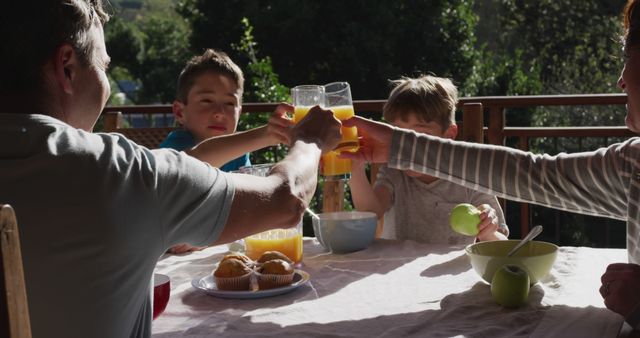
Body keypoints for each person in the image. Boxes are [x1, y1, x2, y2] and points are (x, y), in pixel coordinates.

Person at [0, 1, 341, 337]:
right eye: (103, 67)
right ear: (67, 68)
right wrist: (309, 141)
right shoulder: (124, 174)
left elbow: (193, 160)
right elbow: (286, 199)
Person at [340, 0, 640, 329]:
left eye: (629, 59)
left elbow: (531, 182)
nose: (620, 80)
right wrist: (397, 149)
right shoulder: (632, 163)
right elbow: (536, 176)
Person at [161, 49, 292, 254]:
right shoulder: (175, 152)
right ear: (179, 112)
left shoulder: (239, 153)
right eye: (207, 101)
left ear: (240, 112)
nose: (220, 113)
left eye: (230, 104)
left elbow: (248, 205)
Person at [349, 75, 507, 244]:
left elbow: (502, 242)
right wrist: (355, 168)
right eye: (398, 137)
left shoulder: (470, 175)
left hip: (451, 269)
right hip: (398, 269)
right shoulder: (394, 171)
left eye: (420, 137)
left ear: (449, 136)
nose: (407, 147)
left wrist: (488, 231)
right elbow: (371, 212)